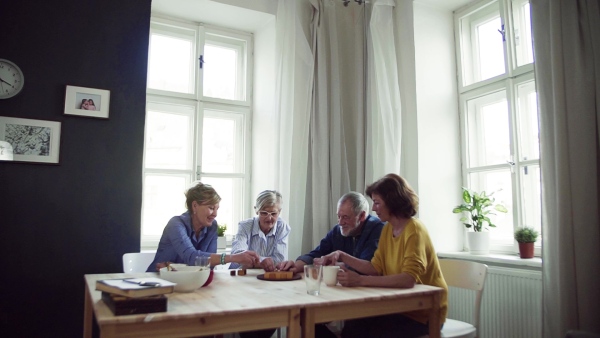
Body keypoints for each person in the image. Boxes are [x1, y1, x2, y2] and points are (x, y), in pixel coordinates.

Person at [316, 174, 448, 338]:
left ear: (393, 202)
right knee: (354, 324)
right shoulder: (387, 229)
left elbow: (408, 279)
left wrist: (360, 280)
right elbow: (375, 268)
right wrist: (341, 255)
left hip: (424, 314)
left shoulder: (414, 230)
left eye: (377, 203)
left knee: (361, 331)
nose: (373, 208)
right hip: (399, 307)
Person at [276, 191, 384, 338]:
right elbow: (317, 253)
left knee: (352, 329)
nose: (340, 222)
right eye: (338, 216)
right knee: (305, 316)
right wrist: (297, 265)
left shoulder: (377, 229)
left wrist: (338, 262)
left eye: (345, 217)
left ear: (362, 216)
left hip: (370, 298)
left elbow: (369, 267)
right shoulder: (338, 230)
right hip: (343, 292)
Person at [147, 182, 260, 272]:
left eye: (217, 209)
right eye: (211, 208)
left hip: (188, 282)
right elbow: (192, 257)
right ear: (195, 206)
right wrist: (233, 257)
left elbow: (207, 267)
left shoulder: (212, 226)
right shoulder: (176, 224)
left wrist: (177, 267)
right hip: (157, 281)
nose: (215, 214)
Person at [231, 190, 290, 272]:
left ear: (279, 212)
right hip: (243, 274)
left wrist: (255, 261)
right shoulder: (244, 226)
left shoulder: (282, 226)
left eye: (273, 214)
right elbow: (238, 255)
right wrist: (262, 261)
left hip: (269, 276)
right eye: (264, 213)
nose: (269, 218)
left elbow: (280, 259)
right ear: (256, 210)